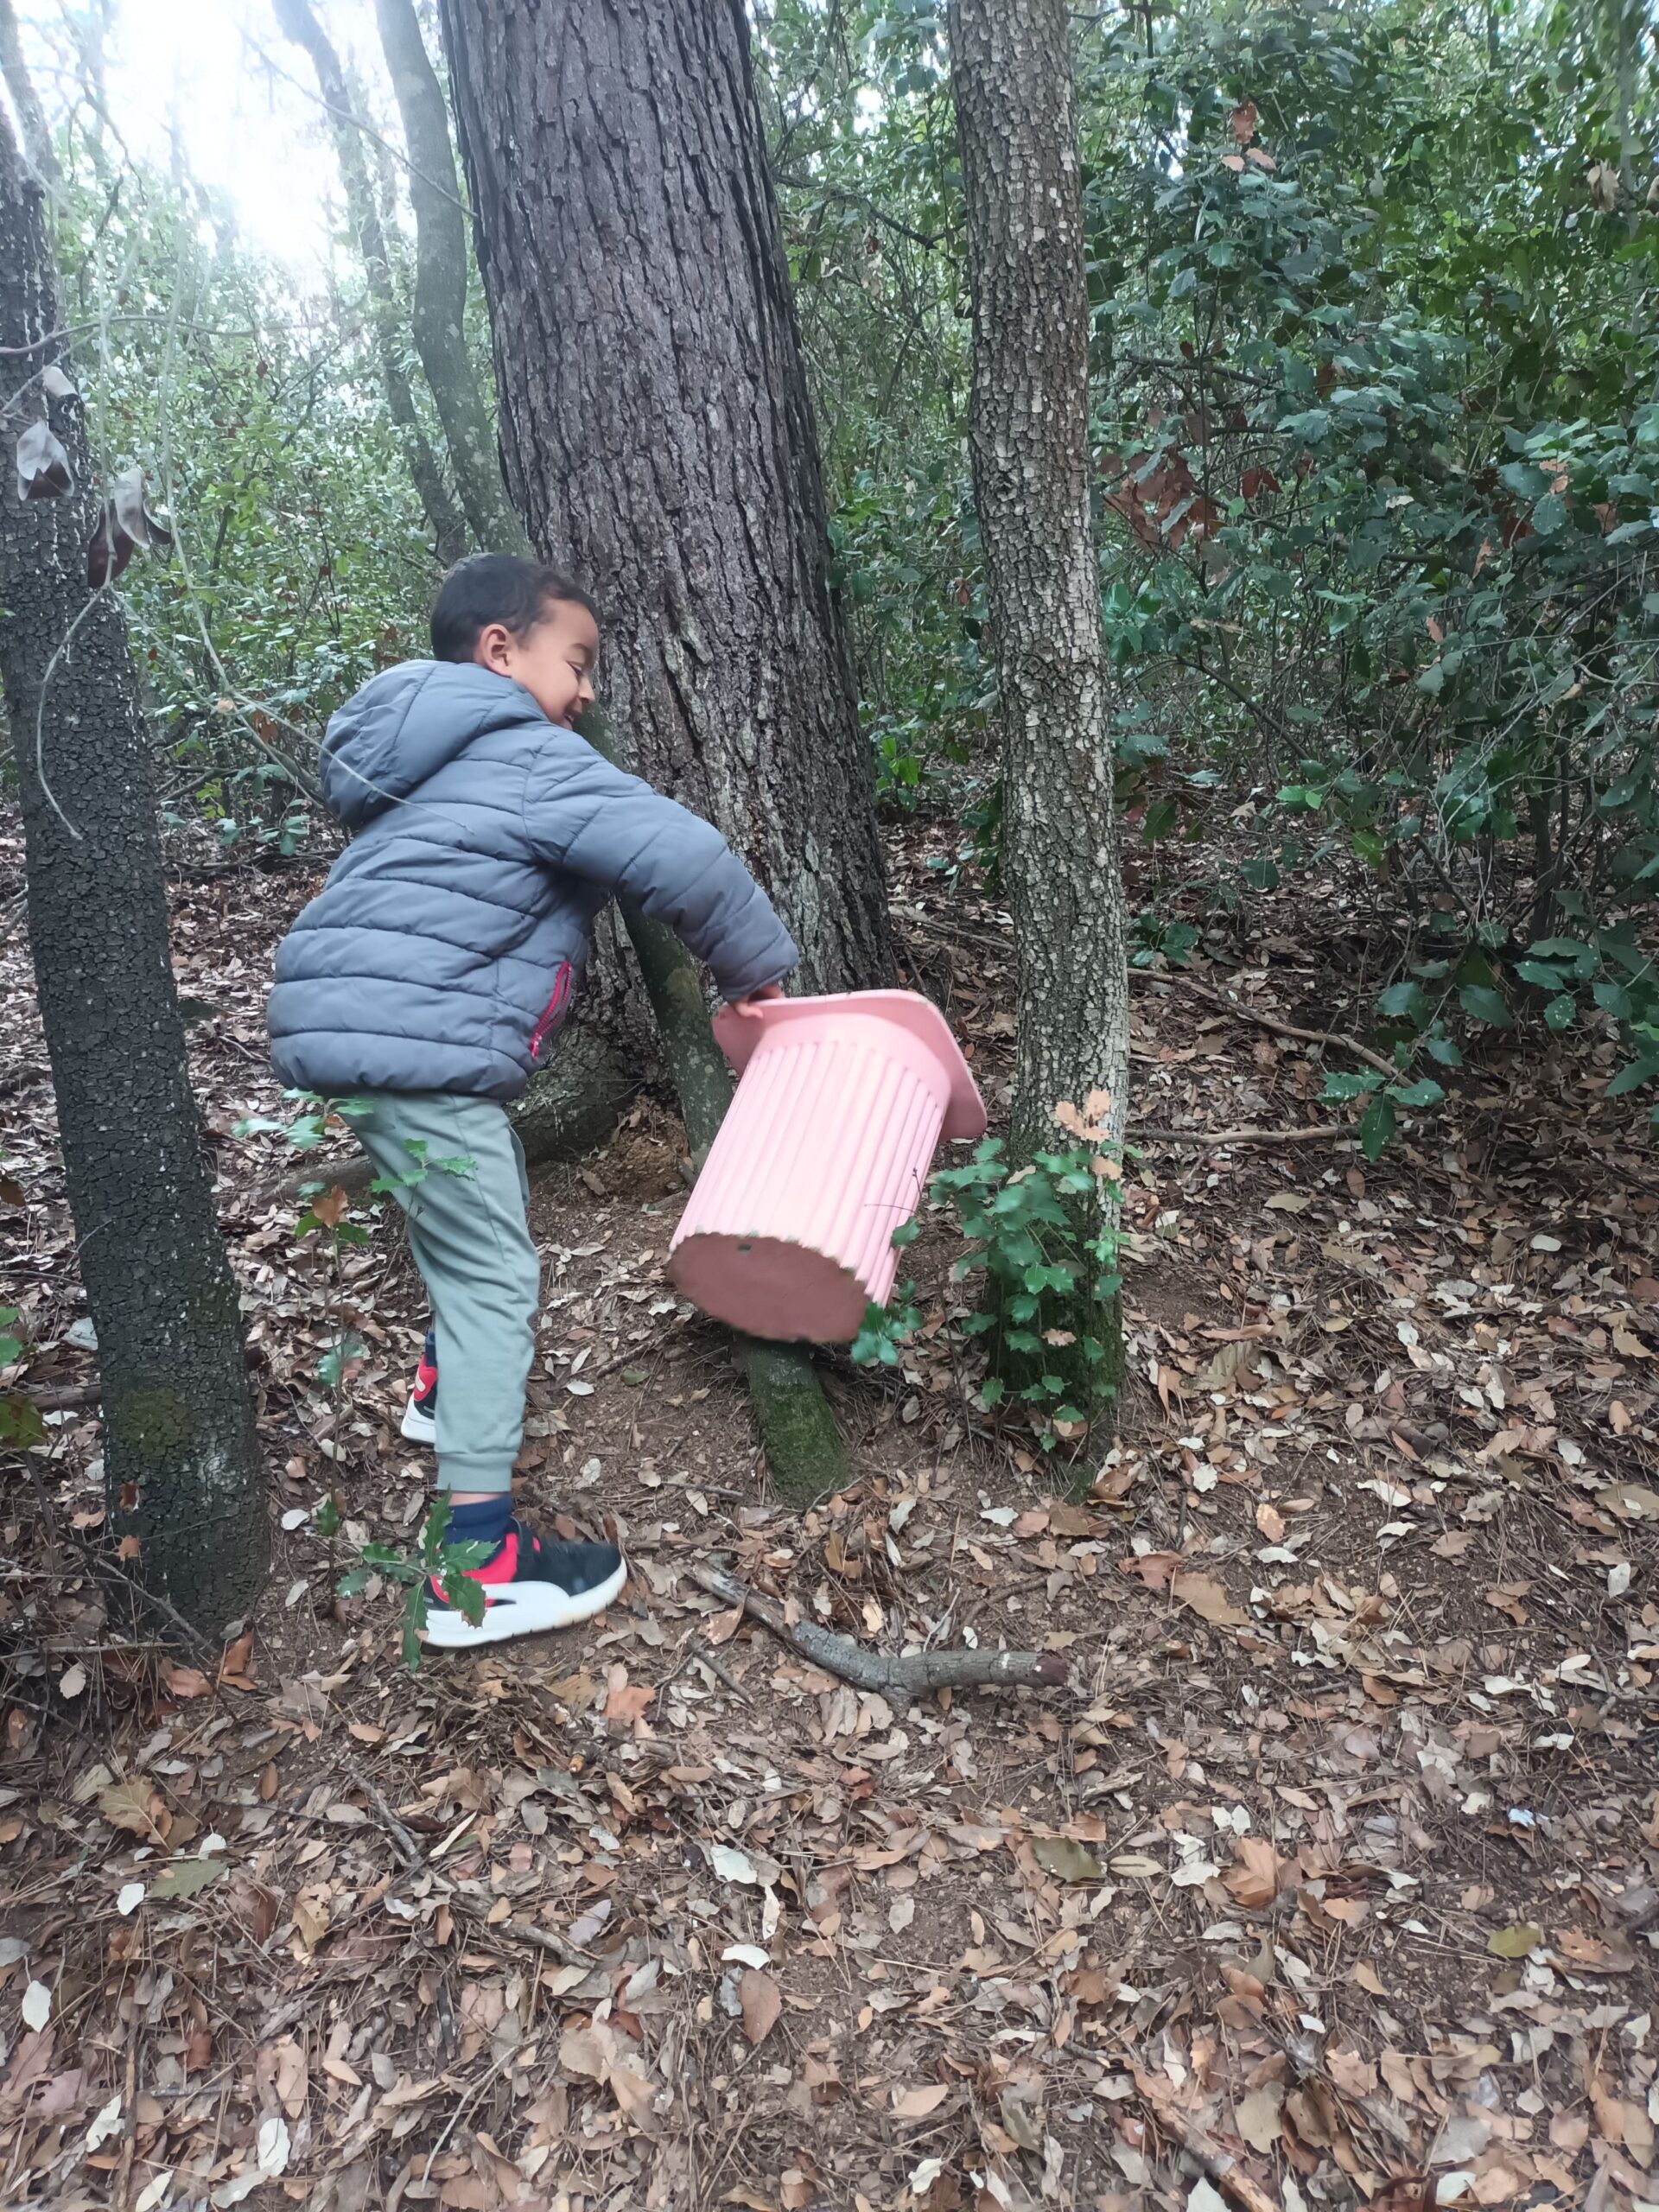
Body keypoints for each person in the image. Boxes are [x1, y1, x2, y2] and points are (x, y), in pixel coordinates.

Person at [268, 555, 797, 1647]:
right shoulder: (524, 751)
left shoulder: (420, 760)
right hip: (417, 1043)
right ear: (501, 651)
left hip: (361, 1036)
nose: (588, 692)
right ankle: (478, 1572)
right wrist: (757, 973)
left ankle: (441, 1387)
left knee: (470, 1206)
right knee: (494, 1276)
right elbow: (681, 853)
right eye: (578, 661)